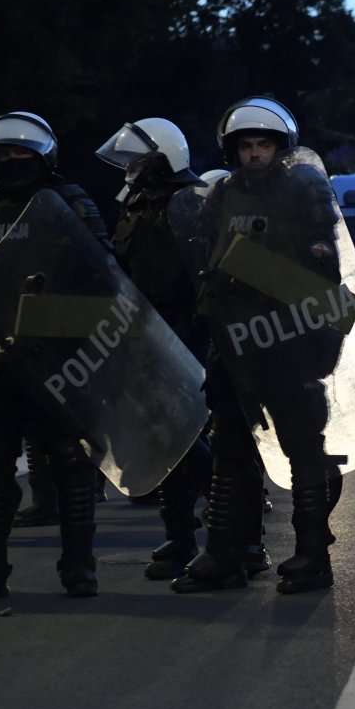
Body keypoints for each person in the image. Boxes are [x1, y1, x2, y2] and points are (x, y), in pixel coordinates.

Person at [175, 94, 337, 595]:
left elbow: (323, 270)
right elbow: (203, 255)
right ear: (233, 149)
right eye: (246, 146)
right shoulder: (221, 195)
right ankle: (225, 553)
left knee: (303, 448)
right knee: (230, 448)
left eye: (264, 144)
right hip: (232, 342)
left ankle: (312, 555)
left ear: (280, 146)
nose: (255, 154)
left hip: (286, 338)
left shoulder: (303, 190)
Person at [0, 111, 111, 602]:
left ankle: (80, 567)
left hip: (58, 356)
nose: (12, 160)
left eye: (22, 151)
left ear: (43, 155)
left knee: (69, 462)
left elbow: (104, 275)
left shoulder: (70, 201)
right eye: (3, 153)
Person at [96, 117, 214, 580]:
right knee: (163, 440)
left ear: (163, 157)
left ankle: (233, 528)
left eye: (140, 159)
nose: (131, 168)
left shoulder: (192, 201)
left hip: (186, 331)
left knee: (188, 438)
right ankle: (179, 536)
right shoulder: (135, 206)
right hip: (142, 334)